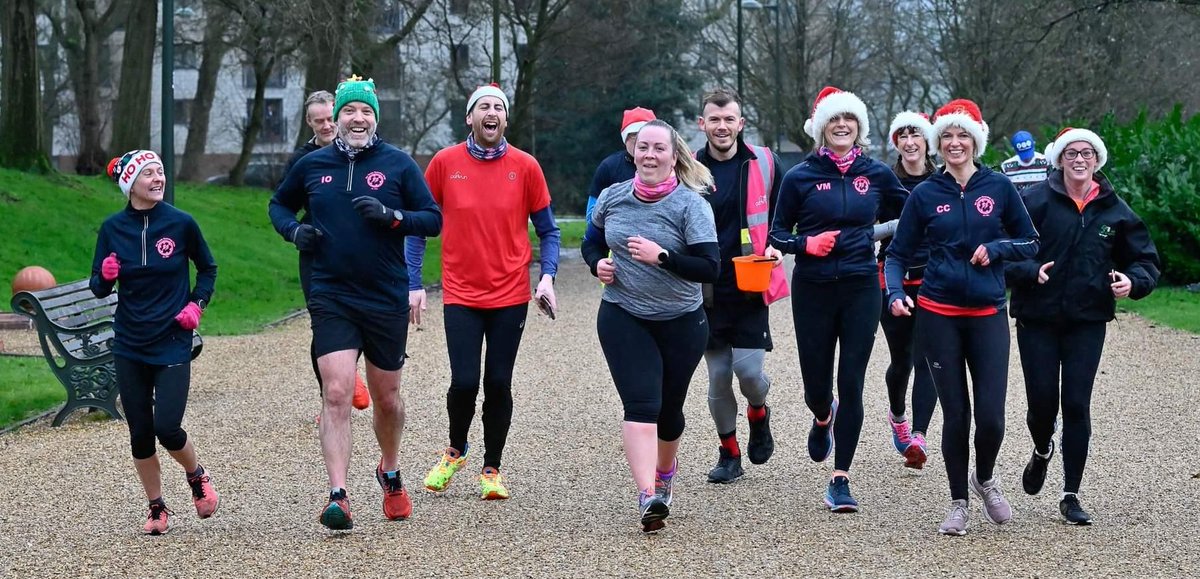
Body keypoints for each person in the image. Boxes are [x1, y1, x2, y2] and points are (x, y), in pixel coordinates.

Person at [269, 76, 443, 530]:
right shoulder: (313, 165)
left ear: (375, 118)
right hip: (332, 294)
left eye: (365, 111)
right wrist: (294, 232)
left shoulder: (399, 164)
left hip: (384, 295)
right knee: (337, 392)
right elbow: (278, 206)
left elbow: (433, 219)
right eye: (349, 111)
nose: (357, 119)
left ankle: (389, 470)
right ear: (337, 118)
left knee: (386, 399)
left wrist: (393, 217)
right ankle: (338, 495)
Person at [885, 98, 1039, 536]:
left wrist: (996, 249)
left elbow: (1029, 242)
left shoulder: (999, 188)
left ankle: (984, 477)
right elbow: (897, 254)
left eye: (962, 135)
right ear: (939, 142)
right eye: (947, 136)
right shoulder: (925, 194)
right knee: (957, 416)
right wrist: (896, 292)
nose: (955, 143)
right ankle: (958, 501)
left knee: (991, 418)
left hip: (988, 312)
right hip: (938, 314)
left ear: (976, 140)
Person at [407, 83, 561, 501]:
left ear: (506, 120)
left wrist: (547, 276)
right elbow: (419, 227)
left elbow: (549, 231)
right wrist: (413, 283)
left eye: (499, 107)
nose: (491, 113)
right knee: (463, 381)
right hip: (460, 292)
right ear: (470, 118)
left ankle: (492, 467)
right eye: (483, 107)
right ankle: (456, 449)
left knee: (497, 381)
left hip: (510, 293)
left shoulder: (526, 166)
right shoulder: (444, 163)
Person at [1007, 127, 1160, 525]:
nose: (1079, 159)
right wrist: (1028, 271)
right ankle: (1042, 448)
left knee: (1076, 403)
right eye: (1072, 153)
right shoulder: (1034, 201)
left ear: (1097, 160)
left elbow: (1145, 260)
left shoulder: (1115, 209)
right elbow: (1003, 250)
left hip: (1088, 319)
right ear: (1058, 159)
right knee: (1042, 404)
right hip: (1037, 317)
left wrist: (1134, 281)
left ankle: (1071, 493)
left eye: (1087, 154)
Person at [768, 86, 907, 512]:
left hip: (862, 286)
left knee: (852, 381)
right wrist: (805, 244)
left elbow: (911, 216)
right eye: (834, 119)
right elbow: (776, 234)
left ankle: (840, 477)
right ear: (821, 128)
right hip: (812, 289)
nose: (842, 125)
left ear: (859, 127)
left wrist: (883, 239)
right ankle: (822, 414)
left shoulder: (877, 174)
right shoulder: (800, 176)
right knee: (817, 384)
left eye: (848, 119)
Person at [582, 119, 719, 533]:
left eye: (659, 148)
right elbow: (591, 240)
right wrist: (596, 264)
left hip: (681, 320)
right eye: (643, 148)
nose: (650, 155)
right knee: (641, 404)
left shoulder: (691, 205)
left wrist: (663, 257)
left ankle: (664, 473)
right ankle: (647, 496)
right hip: (624, 313)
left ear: (675, 155)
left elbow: (709, 268)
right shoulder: (613, 196)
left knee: (670, 410)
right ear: (633, 152)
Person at [91, 149, 219, 535]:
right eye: (149, 174)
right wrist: (107, 274)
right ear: (131, 183)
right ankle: (157, 507)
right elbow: (98, 287)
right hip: (130, 343)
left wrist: (197, 305)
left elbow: (208, 268)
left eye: (161, 172)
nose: (158, 179)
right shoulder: (112, 228)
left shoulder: (181, 223)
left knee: (167, 426)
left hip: (172, 339)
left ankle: (195, 475)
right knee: (140, 433)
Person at [694, 88, 787, 484]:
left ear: (741, 123)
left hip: (750, 285)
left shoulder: (765, 163)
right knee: (717, 377)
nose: (721, 126)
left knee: (749, 373)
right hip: (704, 290)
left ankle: (758, 412)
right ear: (702, 124)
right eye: (714, 119)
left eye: (729, 119)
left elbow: (788, 213)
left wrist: (779, 244)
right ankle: (728, 453)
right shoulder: (687, 168)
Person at [284, 89, 370, 413]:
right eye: (317, 121)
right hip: (318, 250)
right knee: (322, 323)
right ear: (309, 122)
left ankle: (348, 368)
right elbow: (282, 205)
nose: (325, 126)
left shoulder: (362, 151)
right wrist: (296, 231)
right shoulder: (302, 161)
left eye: (328, 118)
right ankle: (329, 398)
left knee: (362, 318)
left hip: (360, 249)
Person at [874, 111, 939, 469]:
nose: (910, 142)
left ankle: (919, 436)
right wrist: (898, 226)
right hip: (894, 277)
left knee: (926, 357)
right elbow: (867, 229)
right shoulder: (884, 180)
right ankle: (898, 417)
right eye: (903, 135)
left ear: (928, 140)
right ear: (896, 142)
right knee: (901, 359)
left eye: (917, 135)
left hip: (934, 278)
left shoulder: (942, 179)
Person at [585, 107, 655, 224]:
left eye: (645, 135)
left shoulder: (668, 167)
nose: (640, 141)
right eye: (634, 135)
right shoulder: (609, 167)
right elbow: (591, 215)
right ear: (625, 138)